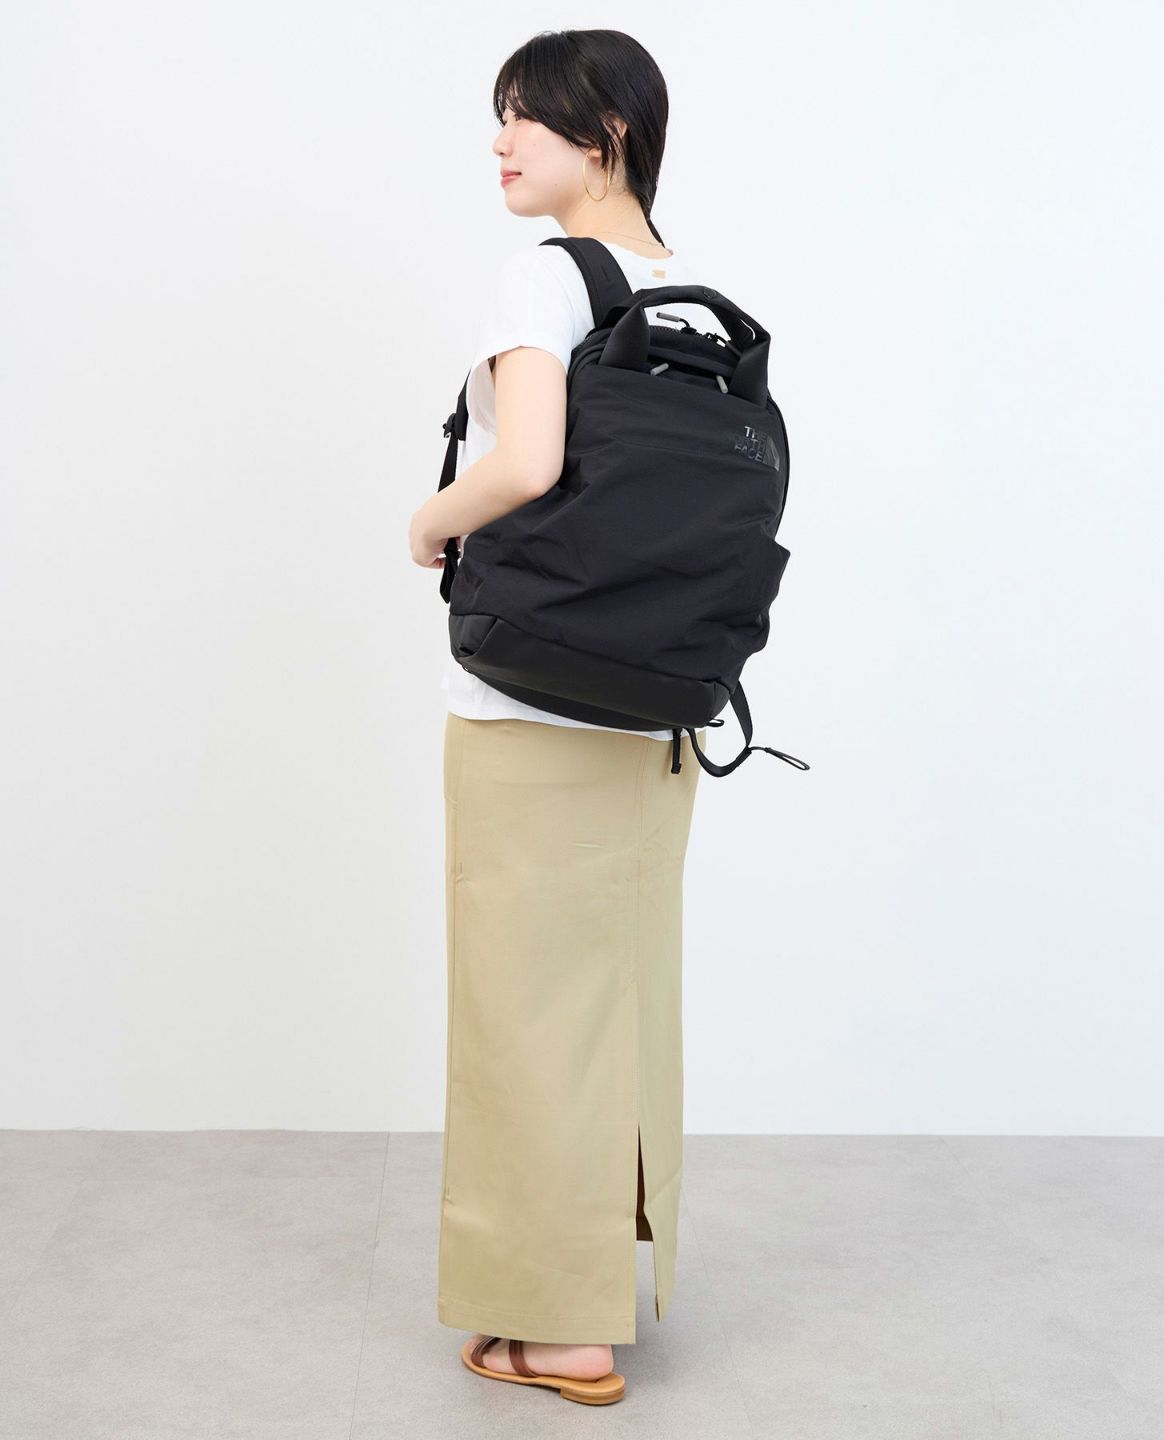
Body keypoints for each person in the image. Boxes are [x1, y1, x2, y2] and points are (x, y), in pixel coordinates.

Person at [409, 29, 715, 1405]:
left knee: (521, 1012)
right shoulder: (692, 299)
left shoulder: (548, 277)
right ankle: (611, 1277)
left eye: (525, 116)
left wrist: (430, 519)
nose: (501, 141)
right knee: (619, 1003)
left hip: (531, 704)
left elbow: (527, 463)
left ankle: (558, 1327)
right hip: (658, 713)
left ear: (608, 129)